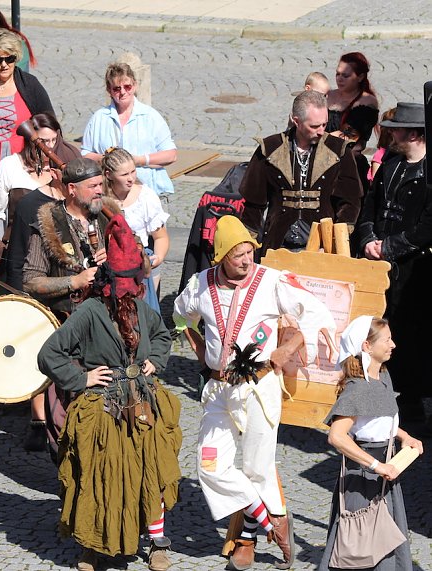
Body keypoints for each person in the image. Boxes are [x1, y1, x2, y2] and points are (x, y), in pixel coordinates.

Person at [173, 215, 337, 570]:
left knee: (257, 468)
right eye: (238, 255)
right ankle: (272, 519)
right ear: (220, 257)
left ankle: (247, 539)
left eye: (250, 251)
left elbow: (311, 310)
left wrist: (295, 344)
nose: (247, 260)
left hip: (259, 387)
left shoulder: (271, 281)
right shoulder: (200, 284)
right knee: (209, 465)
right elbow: (179, 315)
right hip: (218, 388)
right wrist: (198, 346)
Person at [38, 214, 179, 571]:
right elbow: (49, 354)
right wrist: (81, 379)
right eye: (130, 283)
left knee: (153, 470)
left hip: (145, 402)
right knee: (99, 474)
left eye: (138, 281)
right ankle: (93, 546)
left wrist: (155, 361)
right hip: (103, 406)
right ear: (113, 284)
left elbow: (163, 338)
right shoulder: (89, 312)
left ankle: (157, 542)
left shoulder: (143, 310)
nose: (136, 289)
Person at [0, 111, 78, 433]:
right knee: (10, 324)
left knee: (47, 329)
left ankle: (43, 398)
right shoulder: (9, 167)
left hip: (57, 260)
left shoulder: (66, 166)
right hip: (15, 253)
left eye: (51, 140)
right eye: (40, 140)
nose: (45, 146)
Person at [317, 315, 423, 571]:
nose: (393, 344)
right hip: (363, 480)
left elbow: (380, 417)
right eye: (387, 340)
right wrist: (377, 466)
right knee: (363, 547)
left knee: (386, 542)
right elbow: (337, 436)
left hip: (385, 473)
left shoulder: (382, 377)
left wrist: (404, 436)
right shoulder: (358, 389)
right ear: (366, 346)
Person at [356, 102, 432, 425]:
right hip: (379, 269)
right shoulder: (391, 165)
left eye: (398, 129)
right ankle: (377, 396)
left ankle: (415, 407)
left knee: (413, 338)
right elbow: (369, 208)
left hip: (415, 272)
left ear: (413, 134)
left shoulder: (428, 174)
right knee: (376, 332)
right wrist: (368, 240)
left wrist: (387, 247)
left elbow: (426, 228)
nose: (392, 134)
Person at [239, 90, 363, 253]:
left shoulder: (339, 151)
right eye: (314, 126)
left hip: (322, 248)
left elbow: (350, 201)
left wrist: (334, 241)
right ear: (296, 121)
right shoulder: (270, 149)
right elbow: (254, 203)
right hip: (277, 244)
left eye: (324, 124)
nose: (321, 131)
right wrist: (247, 244)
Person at [0, 29, 54, 251]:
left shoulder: (30, 85)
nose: (3, 65)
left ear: (16, 58)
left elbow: (49, 123)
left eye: (9, 59)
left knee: (17, 219)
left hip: (20, 162)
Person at [22, 158, 116, 320]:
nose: (100, 191)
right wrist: (74, 281)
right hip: (67, 321)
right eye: (93, 186)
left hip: (110, 314)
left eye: (101, 185)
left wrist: (115, 257)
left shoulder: (110, 215)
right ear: (72, 189)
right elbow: (31, 282)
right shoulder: (49, 224)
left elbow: (140, 258)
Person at [81, 55, 177, 206]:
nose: (123, 92)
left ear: (135, 85)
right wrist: (106, 160)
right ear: (109, 90)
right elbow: (85, 153)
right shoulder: (99, 118)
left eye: (127, 87)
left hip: (148, 190)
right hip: (111, 195)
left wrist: (140, 160)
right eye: (117, 89)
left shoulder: (150, 116)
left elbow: (171, 155)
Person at [101, 146, 169, 299]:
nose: (131, 178)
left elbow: (161, 237)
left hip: (140, 263)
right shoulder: (100, 198)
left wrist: (158, 257)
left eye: (133, 171)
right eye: (124, 174)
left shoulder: (146, 197)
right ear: (109, 175)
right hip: (109, 266)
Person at [326, 52, 378, 133]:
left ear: (360, 77)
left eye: (345, 76)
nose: (339, 79)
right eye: (337, 74)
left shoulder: (367, 103)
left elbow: (350, 137)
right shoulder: (329, 95)